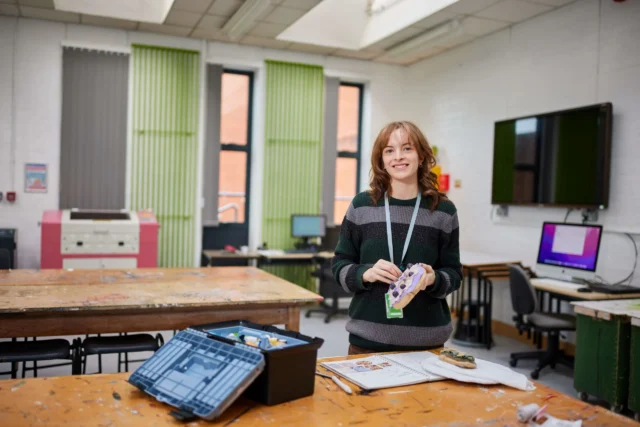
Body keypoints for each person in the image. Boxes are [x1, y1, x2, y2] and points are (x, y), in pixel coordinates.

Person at [332, 121, 462, 355]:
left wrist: (433, 279)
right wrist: (365, 273)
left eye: (407, 148)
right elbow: (339, 266)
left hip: (427, 344)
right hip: (367, 342)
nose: (398, 157)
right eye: (389, 150)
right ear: (381, 160)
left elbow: (454, 274)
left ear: (421, 156)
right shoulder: (361, 206)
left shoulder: (444, 211)